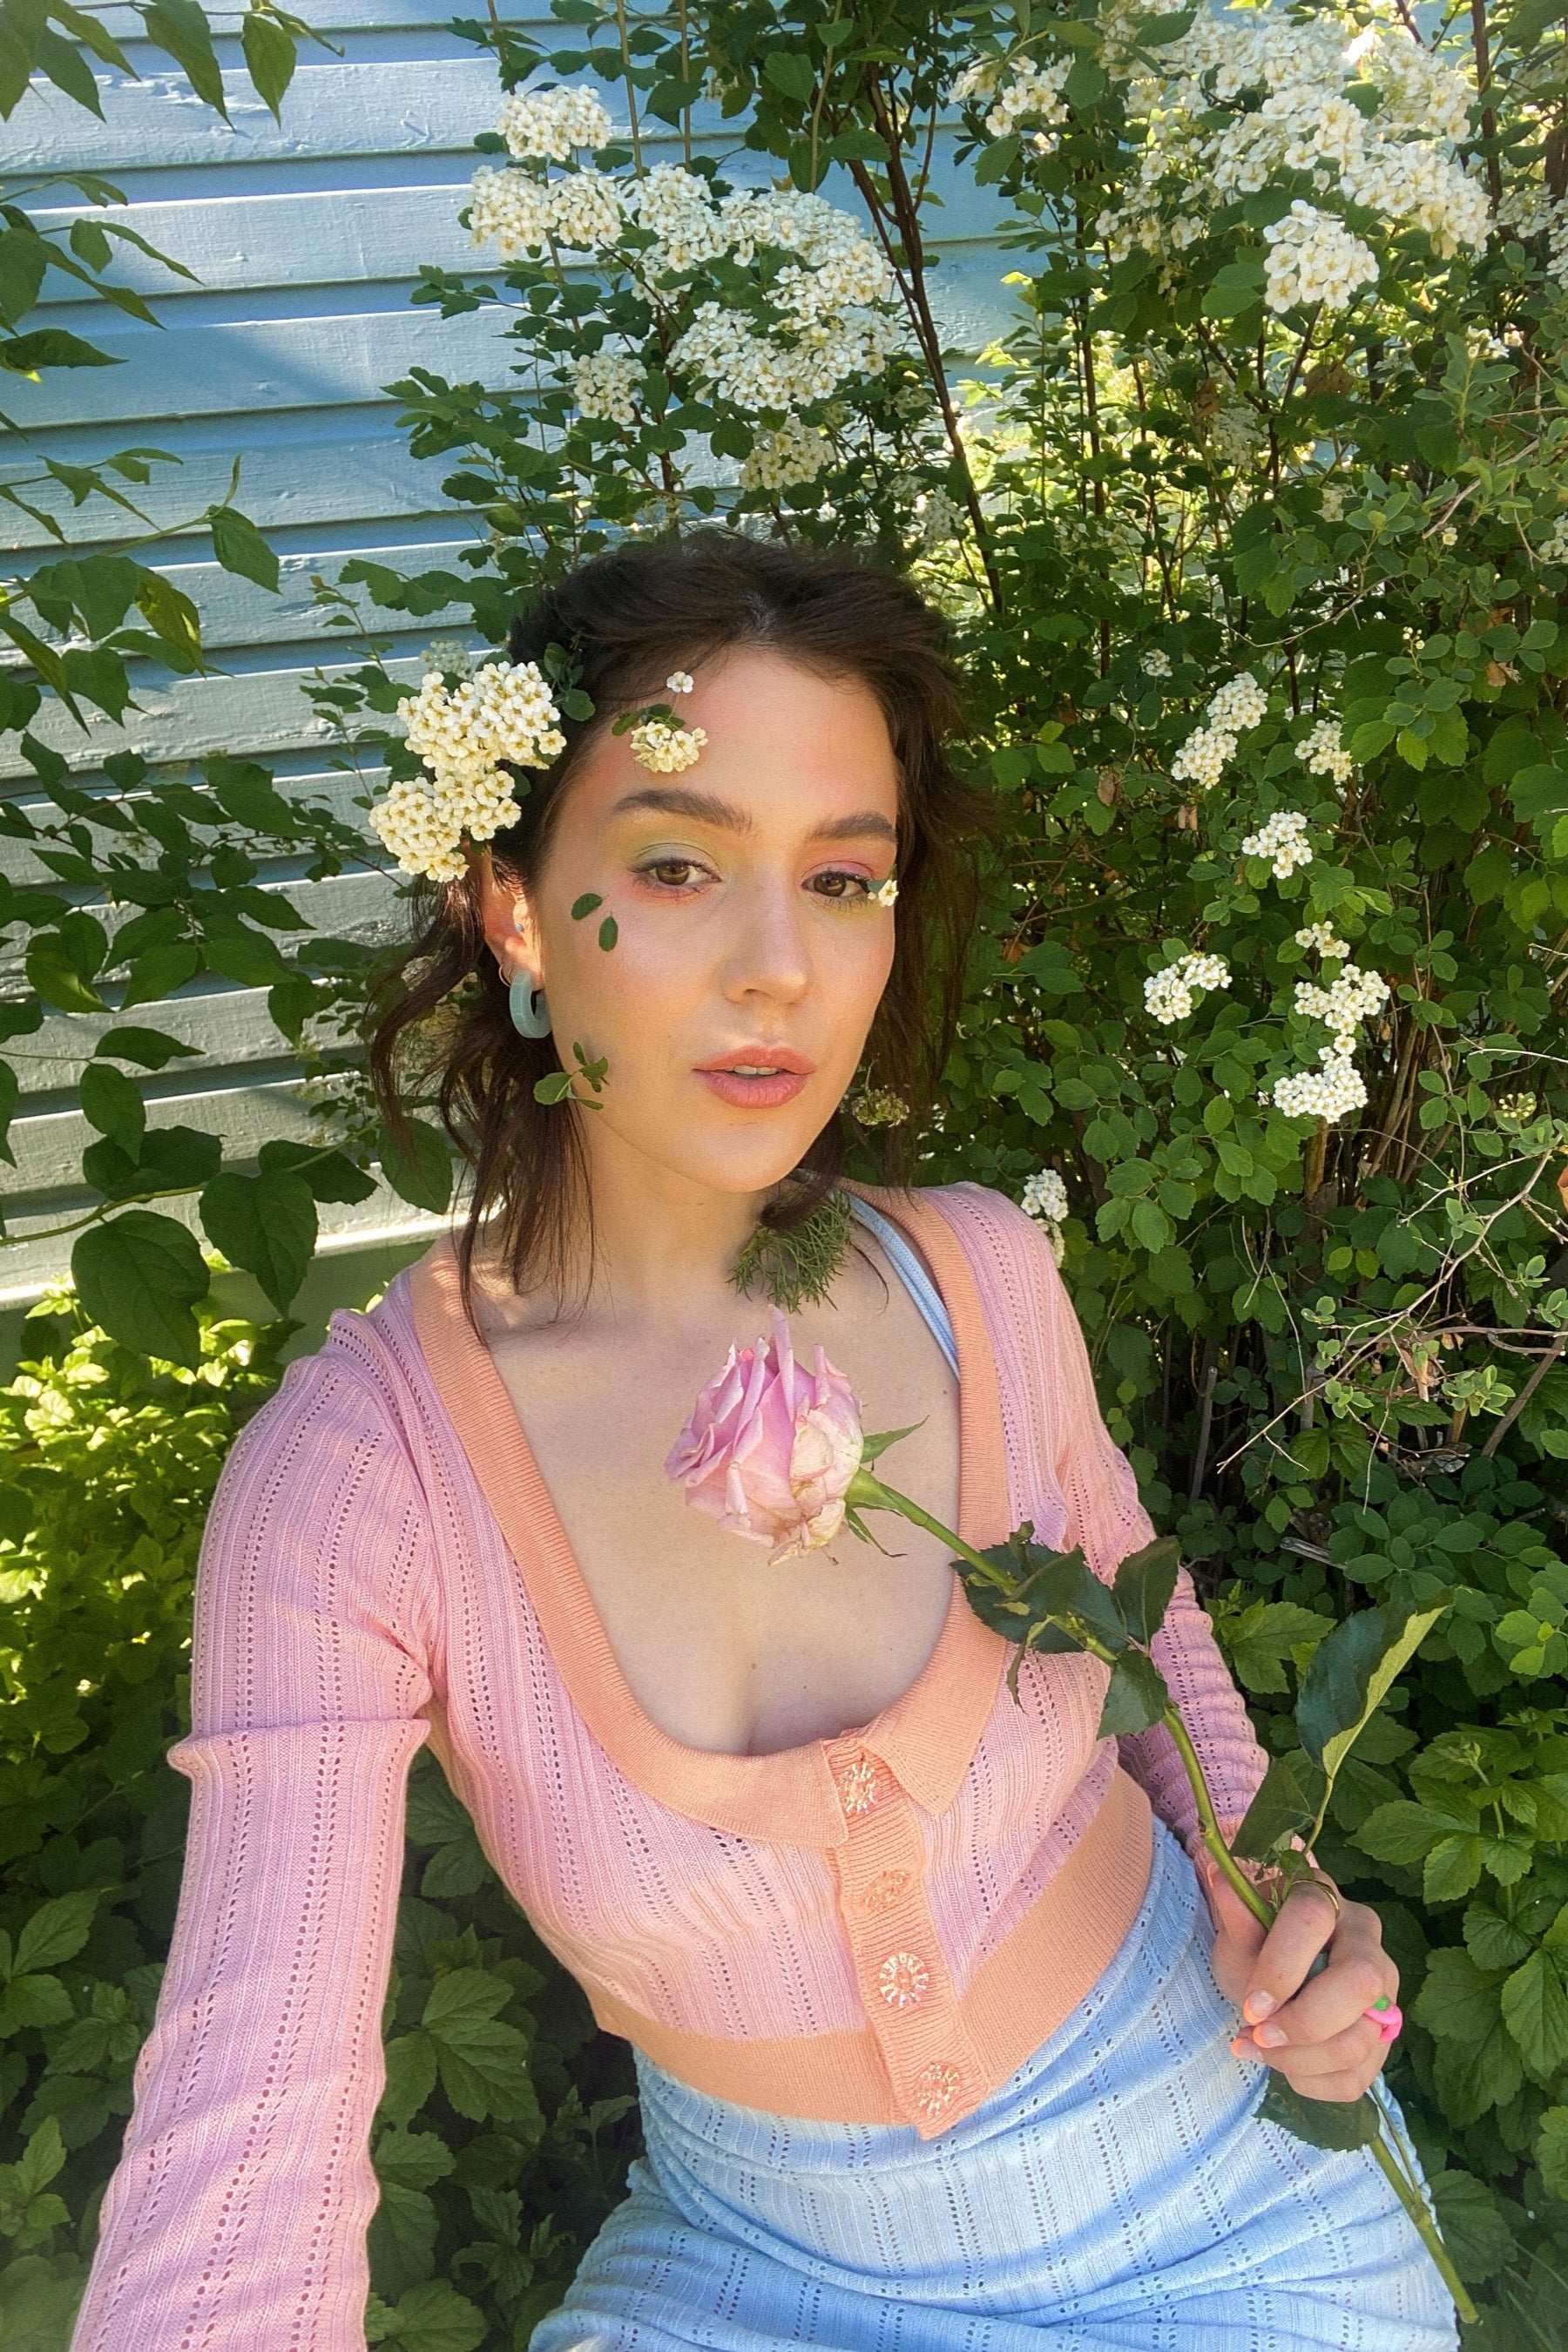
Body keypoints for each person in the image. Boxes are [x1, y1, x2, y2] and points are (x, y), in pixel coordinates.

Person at [70, 531, 1456, 2351]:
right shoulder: (359, 1485)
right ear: (514, 910)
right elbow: (247, 2140)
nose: (782, 969)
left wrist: (1279, 1897)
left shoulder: (978, 1281)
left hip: (1245, 2212)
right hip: (755, 2281)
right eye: (676, 865)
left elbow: (1149, 1628)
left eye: (844, 879)